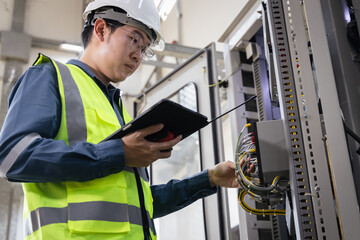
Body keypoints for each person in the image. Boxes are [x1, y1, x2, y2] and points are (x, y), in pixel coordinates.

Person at [0, 0, 243, 239]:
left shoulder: (119, 111)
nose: (138, 56)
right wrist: (119, 154)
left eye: (144, 49)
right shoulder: (50, 76)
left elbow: (139, 204)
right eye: (134, 39)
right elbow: (12, 157)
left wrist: (209, 178)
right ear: (101, 29)